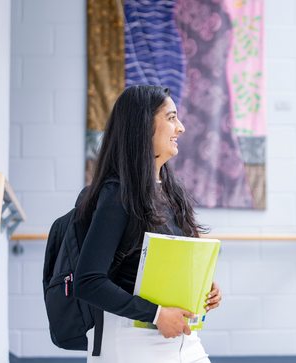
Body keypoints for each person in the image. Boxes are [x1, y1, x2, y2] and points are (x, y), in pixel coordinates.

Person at [73, 85, 221, 362]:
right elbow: (88, 282)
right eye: (171, 117)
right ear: (142, 126)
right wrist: (156, 314)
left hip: (182, 337)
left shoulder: (170, 190)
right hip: (131, 340)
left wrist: (206, 289)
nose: (181, 127)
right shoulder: (118, 194)